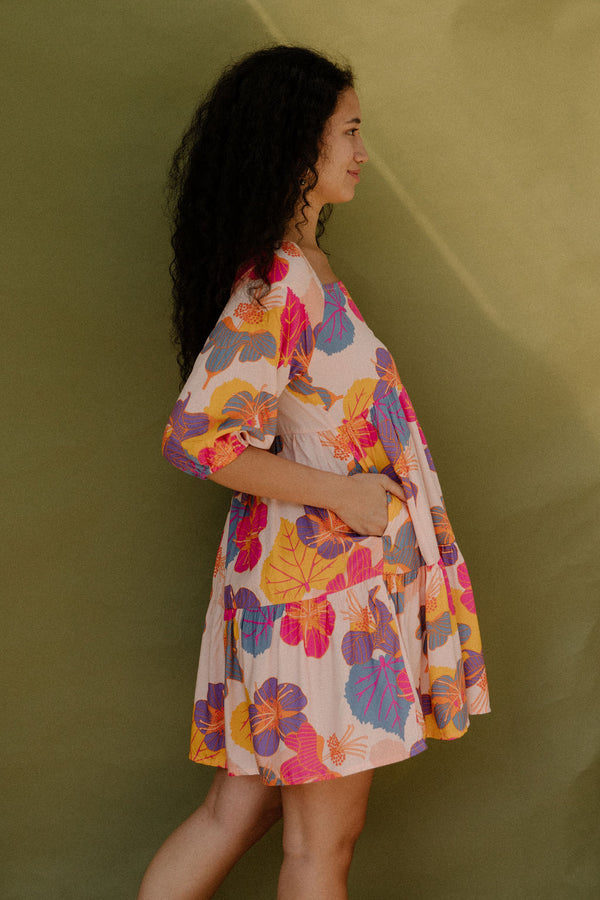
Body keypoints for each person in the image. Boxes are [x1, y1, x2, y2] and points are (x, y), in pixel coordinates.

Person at [138, 45, 490, 900]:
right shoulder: (280, 282)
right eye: (349, 132)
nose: (362, 152)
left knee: (243, 812)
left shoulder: (300, 270)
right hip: (319, 600)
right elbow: (198, 439)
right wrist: (344, 495)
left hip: (315, 591)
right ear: (298, 145)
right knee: (319, 847)